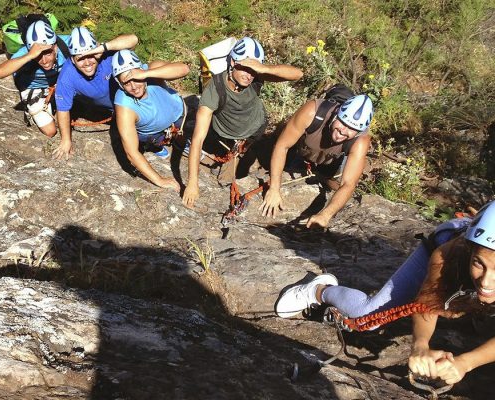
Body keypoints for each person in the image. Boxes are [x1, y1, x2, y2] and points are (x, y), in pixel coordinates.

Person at [275, 200, 495, 385]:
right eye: (479, 263)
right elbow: (426, 304)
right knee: (368, 316)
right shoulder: (448, 254)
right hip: (450, 245)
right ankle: (319, 290)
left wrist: (467, 362)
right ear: (470, 252)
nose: (486, 280)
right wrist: (420, 345)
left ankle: (479, 313)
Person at [182, 37, 303, 207]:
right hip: (227, 135)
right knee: (226, 179)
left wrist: (262, 68)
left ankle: (246, 152)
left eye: (252, 70)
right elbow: (197, 140)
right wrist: (192, 183)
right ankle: (238, 155)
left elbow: (297, 74)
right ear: (232, 62)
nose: (249, 75)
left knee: (260, 158)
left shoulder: (256, 75)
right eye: (244, 68)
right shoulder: (215, 89)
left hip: (257, 127)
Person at [260, 94, 374, 228]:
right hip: (301, 153)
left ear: (359, 131)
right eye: (343, 122)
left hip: (331, 161)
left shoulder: (360, 140)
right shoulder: (312, 112)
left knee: (333, 186)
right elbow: (282, 146)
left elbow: (348, 183)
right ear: (336, 114)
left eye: (352, 129)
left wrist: (325, 215)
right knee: (288, 168)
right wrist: (274, 189)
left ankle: (323, 176)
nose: (344, 131)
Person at [52, 27, 138, 160]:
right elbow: (63, 109)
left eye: (90, 56)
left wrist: (104, 48)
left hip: (133, 99)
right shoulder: (67, 75)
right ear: (72, 59)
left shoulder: (108, 56)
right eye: (80, 59)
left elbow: (133, 39)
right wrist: (66, 140)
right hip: (114, 109)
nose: (87, 63)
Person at [112, 49, 189, 192]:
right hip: (154, 134)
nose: (134, 86)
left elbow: (184, 69)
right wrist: (160, 180)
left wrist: (146, 74)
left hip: (179, 117)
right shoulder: (124, 106)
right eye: (127, 83)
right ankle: (156, 146)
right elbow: (131, 153)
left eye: (136, 78)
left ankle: (182, 142)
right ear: (120, 84)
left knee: (187, 132)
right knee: (147, 138)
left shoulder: (152, 71)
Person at [0, 20, 69, 138]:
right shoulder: (24, 54)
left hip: (61, 84)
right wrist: (29, 56)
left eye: (48, 53)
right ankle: (32, 108)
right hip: (35, 88)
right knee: (50, 131)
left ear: (55, 47)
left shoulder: (66, 43)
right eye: (38, 55)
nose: (44, 61)